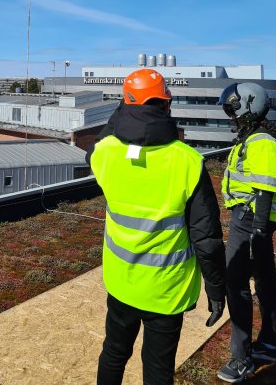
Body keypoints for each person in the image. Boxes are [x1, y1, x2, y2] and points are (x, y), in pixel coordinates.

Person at [86, 68, 226, 385]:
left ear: (125, 104)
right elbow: (207, 238)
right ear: (167, 105)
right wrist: (217, 289)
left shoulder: (105, 153)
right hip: (166, 290)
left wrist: (125, 109)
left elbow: (101, 139)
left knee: (113, 353)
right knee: (158, 368)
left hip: (122, 281)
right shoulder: (187, 161)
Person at [217, 82, 276, 383]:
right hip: (254, 220)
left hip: (249, 220)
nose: (232, 117)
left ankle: (241, 358)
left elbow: (263, 189)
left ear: (250, 107)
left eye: (234, 110)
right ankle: (272, 344)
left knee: (235, 284)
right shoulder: (259, 139)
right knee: (264, 280)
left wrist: (258, 230)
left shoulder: (260, 143)